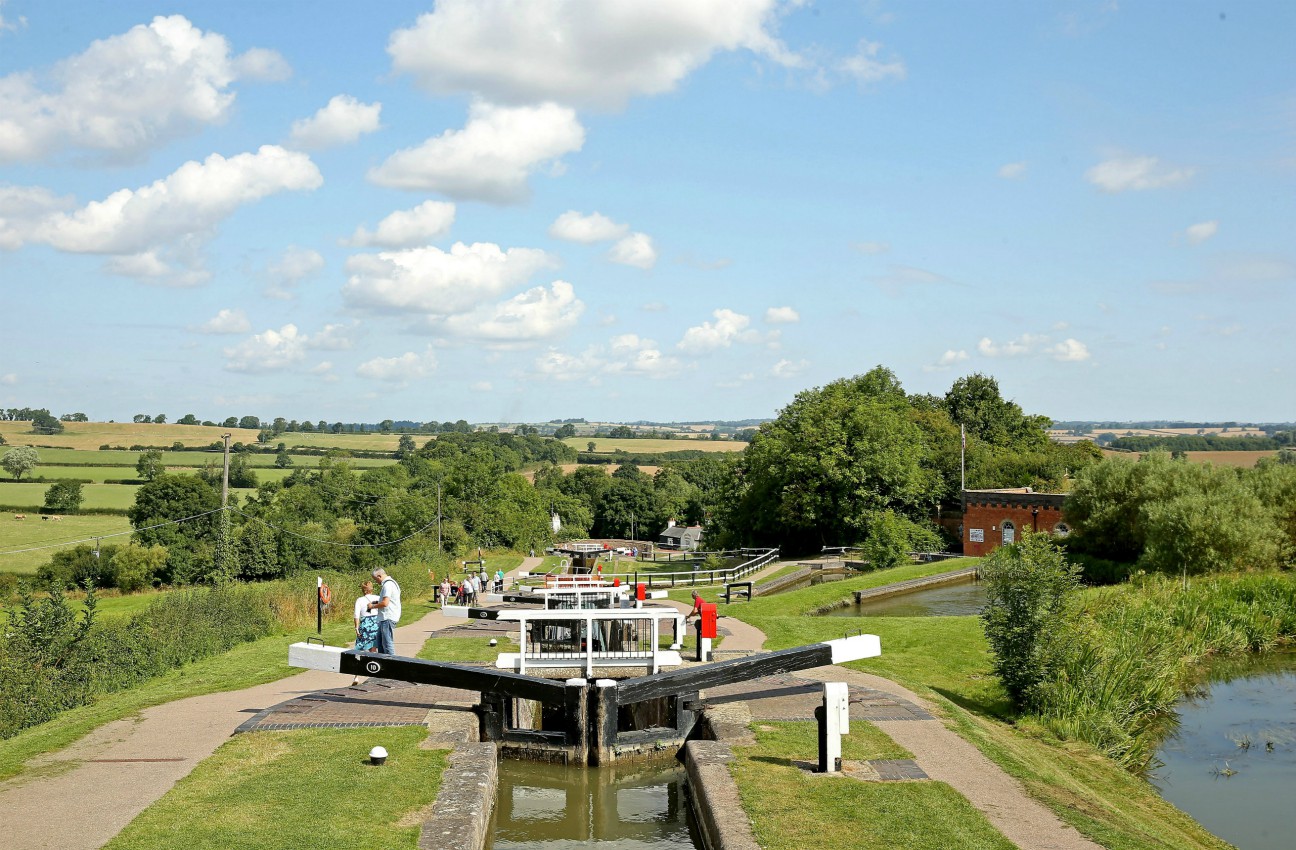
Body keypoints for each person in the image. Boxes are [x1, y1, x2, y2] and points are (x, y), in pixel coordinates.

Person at [366, 568, 402, 655]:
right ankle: (382, 662)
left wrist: (372, 606)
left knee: (387, 643)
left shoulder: (388, 585)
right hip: (384, 617)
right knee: (380, 643)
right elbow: (386, 601)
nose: (376, 582)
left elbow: (385, 603)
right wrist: (375, 603)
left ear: (379, 576)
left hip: (388, 617)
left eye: (375, 579)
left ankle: (391, 662)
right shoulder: (390, 583)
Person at [351, 580, 380, 685]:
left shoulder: (359, 600)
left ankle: (356, 676)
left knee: (359, 650)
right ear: (372, 589)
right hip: (376, 624)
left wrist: (356, 628)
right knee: (373, 649)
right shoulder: (378, 598)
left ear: (363, 590)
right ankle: (374, 673)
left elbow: (356, 615)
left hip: (365, 625)